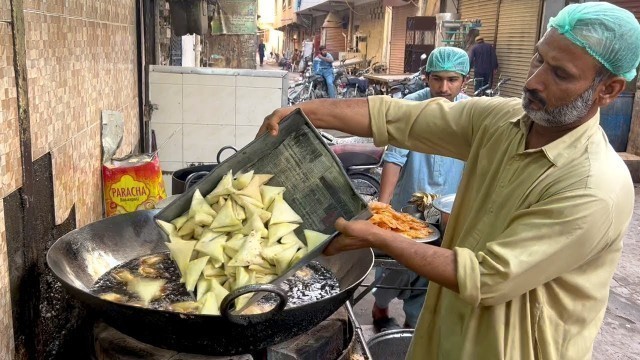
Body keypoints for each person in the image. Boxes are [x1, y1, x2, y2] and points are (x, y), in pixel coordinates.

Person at [259, 2, 640, 359]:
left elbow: (487, 277)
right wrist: (303, 110)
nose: (534, 81)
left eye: (560, 74)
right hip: (445, 327)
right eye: (538, 58)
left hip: (513, 347)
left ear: (608, 90)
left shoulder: (596, 186)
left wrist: (376, 234)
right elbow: (400, 118)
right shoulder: (502, 122)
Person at [372, 46, 470, 332]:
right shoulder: (411, 108)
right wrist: (383, 210)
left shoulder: (471, 113)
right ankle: (380, 305)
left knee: (429, 272)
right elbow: (393, 158)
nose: (444, 87)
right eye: (437, 79)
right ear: (426, 78)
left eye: (452, 80)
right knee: (394, 266)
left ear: (464, 80)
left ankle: (413, 328)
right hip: (408, 206)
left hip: (449, 209)